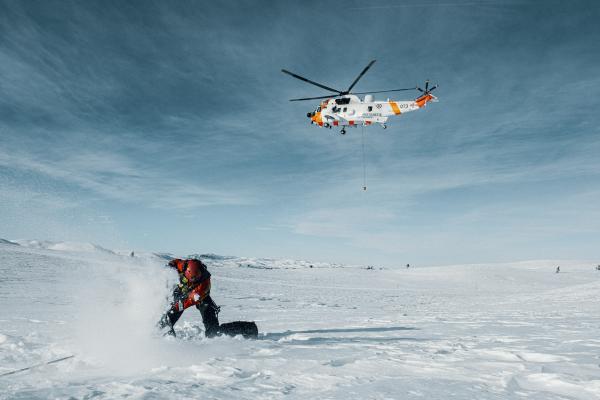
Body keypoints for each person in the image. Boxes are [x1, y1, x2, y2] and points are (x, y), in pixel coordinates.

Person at [158, 258, 221, 337]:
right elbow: (176, 262)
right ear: (186, 272)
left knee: (210, 322)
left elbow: (188, 301)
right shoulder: (184, 265)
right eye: (191, 279)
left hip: (200, 297)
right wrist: (170, 266)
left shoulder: (204, 285)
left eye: (195, 279)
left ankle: (213, 335)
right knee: (167, 318)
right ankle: (161, 331)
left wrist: (175, 307)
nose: (193, 281)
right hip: (182, 290)